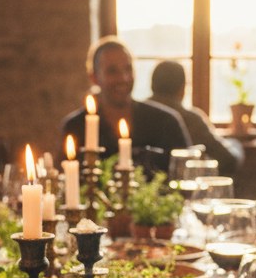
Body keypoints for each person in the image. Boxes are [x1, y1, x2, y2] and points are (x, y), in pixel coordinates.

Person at [61, 37, 191, 173]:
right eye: (112, 71)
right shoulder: (75, 127)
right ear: (94, 77)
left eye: (128, 69)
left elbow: (187, 173)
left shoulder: (166, 122)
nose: (123, 78)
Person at [148, 60, 243, 177]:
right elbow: (228, 160)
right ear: (182, 88)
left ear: (152, 85)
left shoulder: (139, 114)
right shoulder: (191, 119)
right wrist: (235, 145)